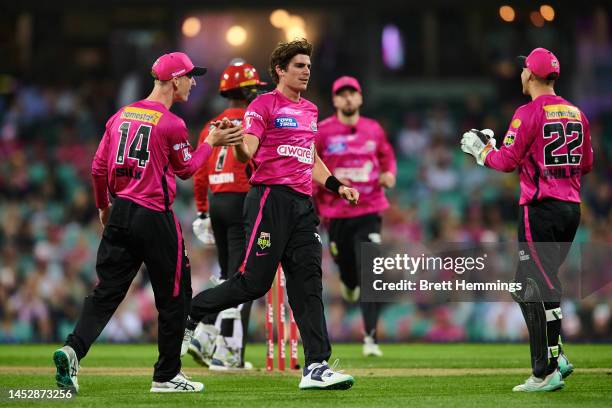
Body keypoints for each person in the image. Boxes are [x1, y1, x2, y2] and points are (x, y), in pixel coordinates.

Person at [52, 52, 244, 394]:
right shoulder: (172, 123)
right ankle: (166, 375)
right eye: (189, 76)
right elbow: (186, 170)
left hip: (121, 211)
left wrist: (103, 208)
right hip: (154, 214)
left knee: (106, 293)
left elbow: (98, 169)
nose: (194, 82)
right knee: (175, 296)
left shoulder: (120, 115)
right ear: (174, 81)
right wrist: (211, 144)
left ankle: (73, 349)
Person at [183, 38, 358, 390]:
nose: (306, 71)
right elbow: (249, 149)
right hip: (269, 200)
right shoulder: (263, 105)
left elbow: (310, 158)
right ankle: (190, 313)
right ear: (280, 70)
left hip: (302, 206)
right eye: (298, 65)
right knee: (253, 283)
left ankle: (316, 367)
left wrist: (337, 185)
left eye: (308, 66)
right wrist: (237, 145)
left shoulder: (310, 110)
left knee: (308, 284)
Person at [461, 47, 593, 392]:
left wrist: (481, 151)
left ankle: (545, 371)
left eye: (523, 70)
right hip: (570, 208)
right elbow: (587, 162)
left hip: (540, 209)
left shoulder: (528, 111)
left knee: (536, 284)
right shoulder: (577, 113)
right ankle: (557, 356)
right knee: (529, 285)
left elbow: (506, 162)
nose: (520, 75)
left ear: (531, 76)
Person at [188, 60, 266, 370]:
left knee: (227, 274)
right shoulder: (254, 121)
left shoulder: (210, 125)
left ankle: (214, 340)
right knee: (243, 278)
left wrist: (203, 211)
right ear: (249, 92)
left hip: (217, 203)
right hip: (242, 201)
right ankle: (214, 340)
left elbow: (199, 175)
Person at [314, 76, 396, 357]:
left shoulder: (374, 129)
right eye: (342, 94)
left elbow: (387, 157)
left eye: (353, 93)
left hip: (369, 208)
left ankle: (371, 338)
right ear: (335, 100)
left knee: (370, 270)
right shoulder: (322, 132)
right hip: (336, 214)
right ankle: (348, 284)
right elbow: (313, 166)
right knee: (349, 272)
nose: (348, 98)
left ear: (360, 98)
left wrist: (389, 174)